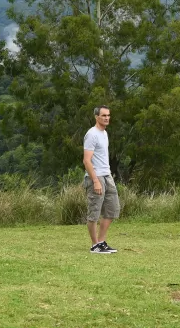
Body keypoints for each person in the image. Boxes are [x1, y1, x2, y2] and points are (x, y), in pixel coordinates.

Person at [82, 105, 120, 254]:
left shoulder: (104, 133)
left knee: (112, 209)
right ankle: (94, 245)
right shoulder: (92, 134)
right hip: (96, 176)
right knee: (94, 212)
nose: (107, 118)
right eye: (103, 115)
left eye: (108, 115)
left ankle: (101, 242)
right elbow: (86, 160)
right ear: (96, 117)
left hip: (107, 174)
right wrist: (96, 181)